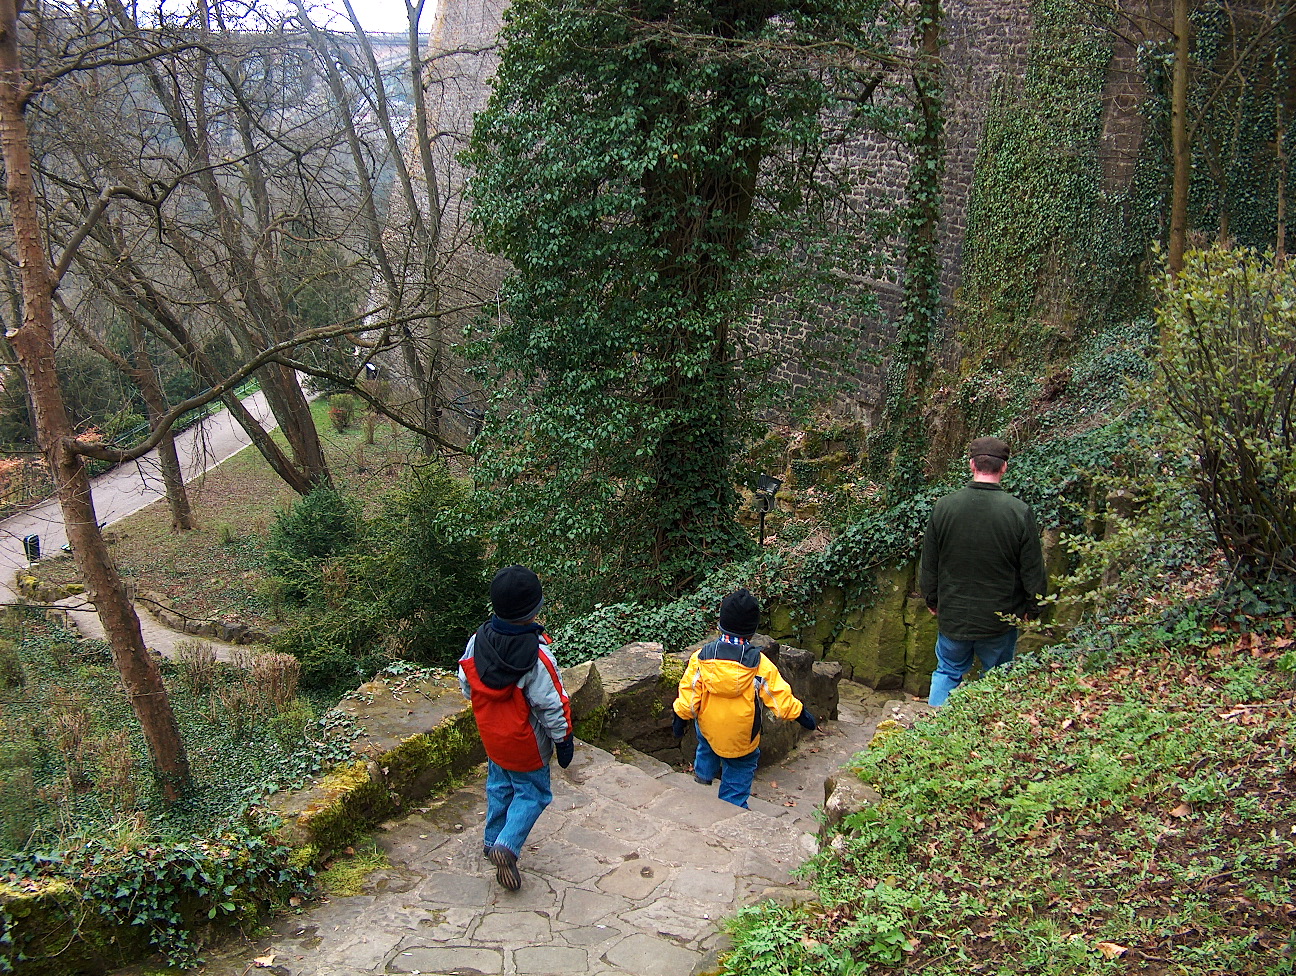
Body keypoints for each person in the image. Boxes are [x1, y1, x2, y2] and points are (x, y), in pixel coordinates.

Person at [458, 565, 574, 890]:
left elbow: (466, 683)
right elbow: (553, 705)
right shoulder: (537, 657)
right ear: (535, 608)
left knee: (499, 786)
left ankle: (490, 840)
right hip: (526, 745)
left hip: (492, 736)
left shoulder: (478, 641)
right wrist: (563, 740)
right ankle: (507, 845)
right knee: (533, 793)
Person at [920, 436, 1047, 706]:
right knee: (997, 677)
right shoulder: (1019, 512)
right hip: (1000, 618)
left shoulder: (944, 507)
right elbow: (1032, 569)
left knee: (947, 671)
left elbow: (929, 562)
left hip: (953, 614)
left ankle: (932, 726)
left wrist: (932, 599)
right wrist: (1033, 608)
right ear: (1004, 467)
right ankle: (988, 726)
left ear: (971, 464)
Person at [671, 588, 816, 809]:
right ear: (752, 631)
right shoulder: (759, 664)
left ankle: (703, 775)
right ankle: (732, 805)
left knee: (707, 742)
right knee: (741, 765)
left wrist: (680, 718)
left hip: (709, 724)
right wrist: (801, 715)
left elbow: (689, 695)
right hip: (741, 734)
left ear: (721, 624)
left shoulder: (701, 657)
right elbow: (779, 698)